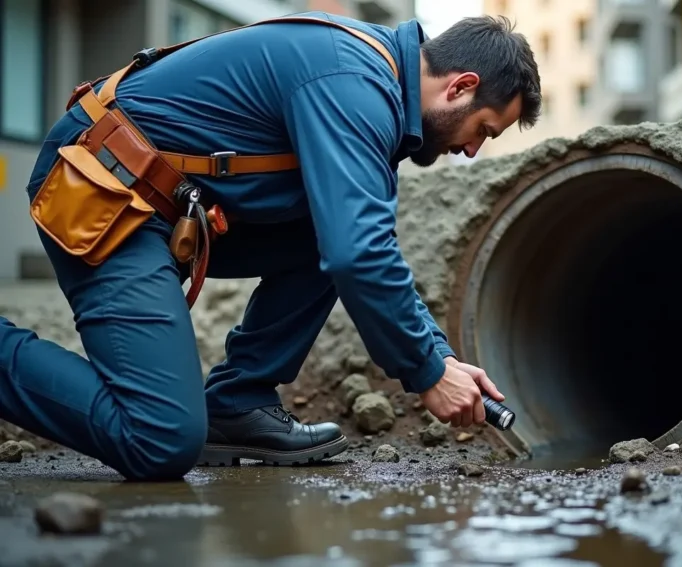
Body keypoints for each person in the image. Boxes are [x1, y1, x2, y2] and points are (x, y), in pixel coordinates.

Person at [0, 11, 541, 481]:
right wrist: (427, 372)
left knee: (327, 227)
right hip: (104, 186)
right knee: (158, 437)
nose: (471, 151)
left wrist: (440, 355)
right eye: (483, 130)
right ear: (460, 86)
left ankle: (238, 402)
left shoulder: (377, 92)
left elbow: (361, 242)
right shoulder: (353, 81)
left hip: (169, 206)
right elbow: (359, 254)